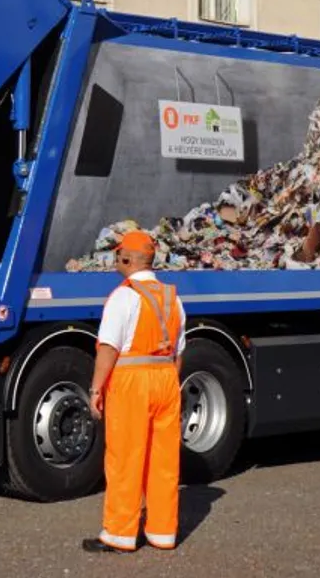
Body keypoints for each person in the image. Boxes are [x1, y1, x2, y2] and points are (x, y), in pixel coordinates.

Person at [81, 230, 186, 554]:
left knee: (125, 457)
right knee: (164, 460)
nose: (115, 260)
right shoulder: (173, 298)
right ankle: (162, 532)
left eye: (118, 255)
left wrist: (96, 389)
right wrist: (165, 380)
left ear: (127, 258)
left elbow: (109, 349)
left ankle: (120, 534)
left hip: (132, 382)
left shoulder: (124, 296)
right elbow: (179, 351)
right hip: (167, 378)